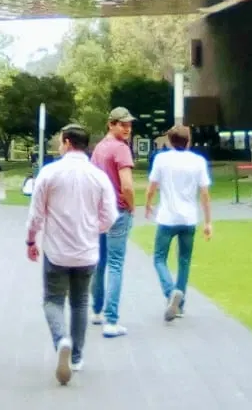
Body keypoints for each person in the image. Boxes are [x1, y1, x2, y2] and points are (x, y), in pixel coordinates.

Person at [26, 124, 117, 386]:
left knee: (53, 300)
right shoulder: (98, 176)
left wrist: (31, 239)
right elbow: (110, 216)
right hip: (86, 250)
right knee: (80, 302)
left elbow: (36, 214)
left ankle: (61, 340)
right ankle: (76, 356)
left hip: (57, 250)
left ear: (67, 142)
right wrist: (94, 229)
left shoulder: (50, 173)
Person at [144, 125, 213, 321]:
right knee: (184, 261)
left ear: (169, 141)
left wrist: (148, 204)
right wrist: (208, 221)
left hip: (167, 217)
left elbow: (152, 186)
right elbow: (204, 194)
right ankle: (180, 303)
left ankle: (170, 291)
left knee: (159, 258)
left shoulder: (162, 159)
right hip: (189, 218)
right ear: (188, 140)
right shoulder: (198, 161)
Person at [90, 106, 136, 338]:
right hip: (118, 210)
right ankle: (111, 320)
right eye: (122, 124)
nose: (127, 128)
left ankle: (97, 310)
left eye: (129, 124)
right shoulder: (121, 149)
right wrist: (132, 205)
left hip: (99, 211)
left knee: (99, 263)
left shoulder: (99, 148)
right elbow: (127, 185)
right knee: (116, 264)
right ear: (111, 124)